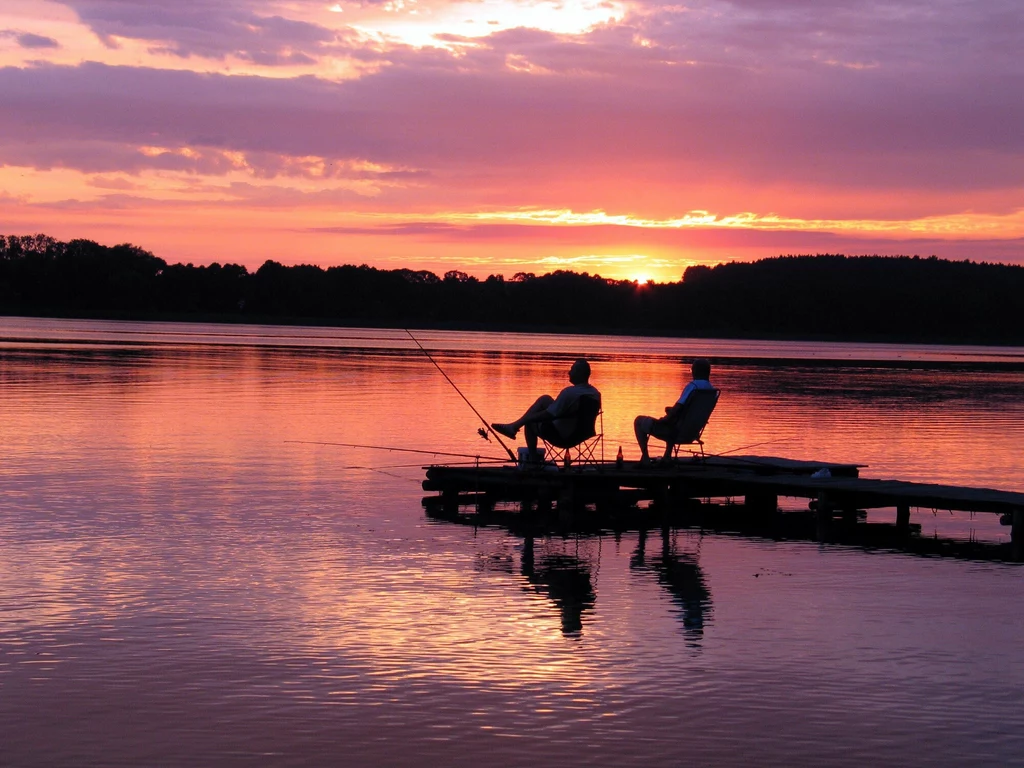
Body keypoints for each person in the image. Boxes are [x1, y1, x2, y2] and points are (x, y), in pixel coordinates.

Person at [492, 358, 601, 460]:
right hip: (581, 434)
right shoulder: (595, 394)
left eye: (572, 370)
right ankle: (514, 426)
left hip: (562, 436)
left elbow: (548, 414)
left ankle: (533, 461)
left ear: (579, 374)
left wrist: (528, 419)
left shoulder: (569, 393)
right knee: (545, 399)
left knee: (530, 423)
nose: (569, 372)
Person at [634, 358, 714, 464]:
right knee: (675, 419)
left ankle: (645, 459)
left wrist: (663, 420)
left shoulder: (693, 386)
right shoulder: (711, 390)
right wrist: (671, 412)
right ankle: (667, 456)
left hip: (675, 433)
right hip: (693, 433)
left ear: (695, 371)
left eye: (691, 370)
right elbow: (687, 411)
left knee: (639, 421)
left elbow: (677, 408)